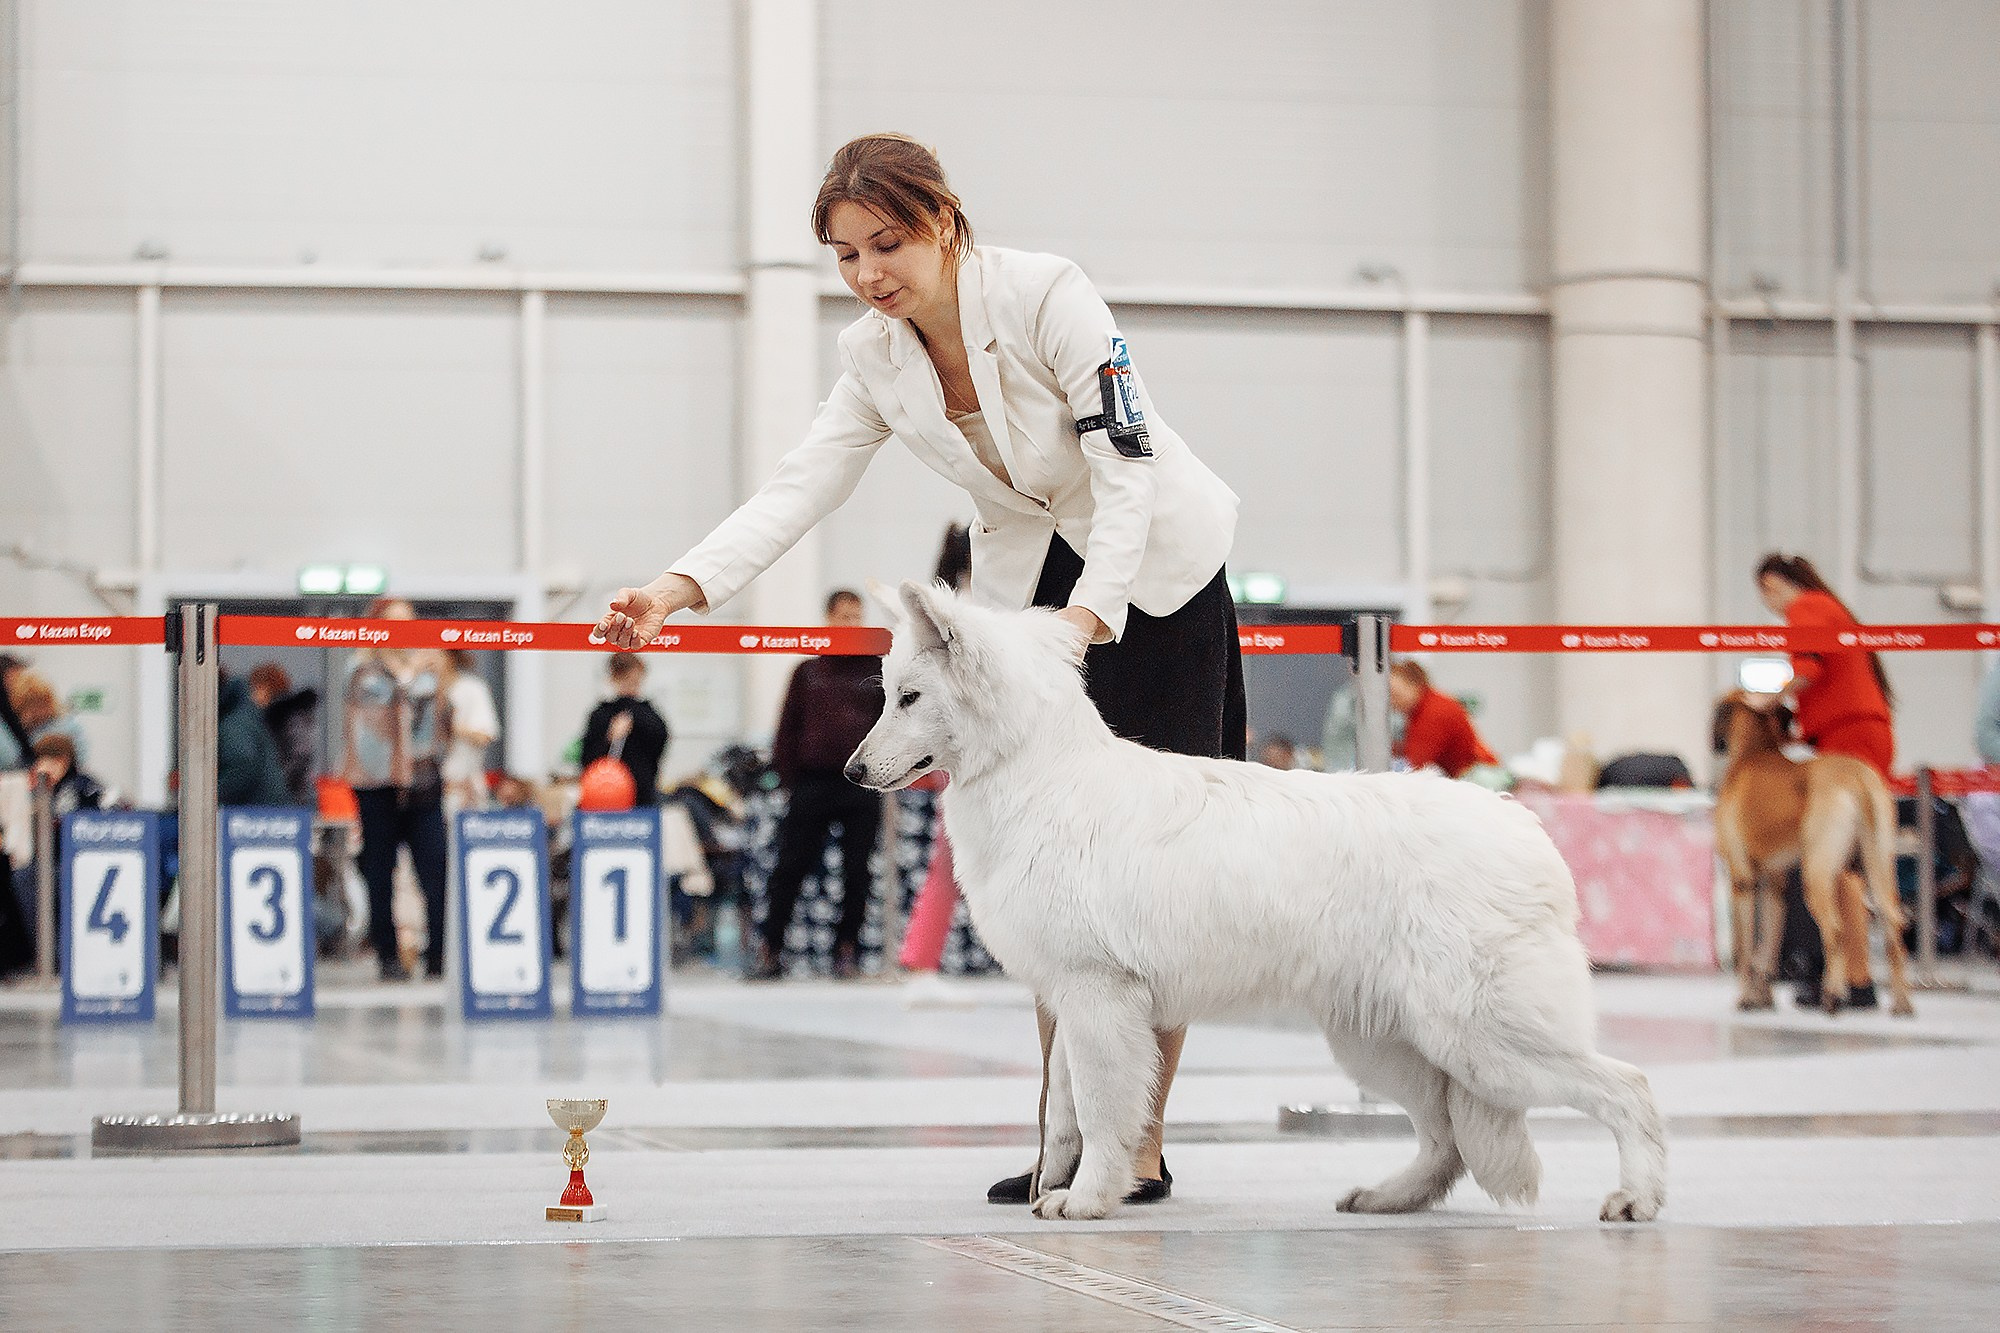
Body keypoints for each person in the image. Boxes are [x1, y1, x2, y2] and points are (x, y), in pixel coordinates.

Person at [594, 133, 1243, 1206]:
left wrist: (1091, 614)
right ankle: (1059, 1141)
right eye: (845, 256)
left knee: (1144, 873)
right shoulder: (874, 356)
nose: (867, 275)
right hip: (1026, 588)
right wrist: (678, 586)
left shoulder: (1047, 293)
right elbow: (800, 485)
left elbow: (1122, 462)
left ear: (942, 219)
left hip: (1155, 578)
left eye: (884, 243)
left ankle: (1133, 1145)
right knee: (1049, 874)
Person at [1755, 552, 1897, 1009]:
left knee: (1838, 865)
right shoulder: (1832, 607)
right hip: (1863, 735)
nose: (1772, 608)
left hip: (1847, 740)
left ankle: (1855, 978)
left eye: (1767, 595)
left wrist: (1767, 703)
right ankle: (1861, 976)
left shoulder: (1807, 609)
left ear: (1775, 582)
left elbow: (1807, 671)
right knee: (1860, 862)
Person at [751, 589, 885, 981]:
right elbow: (787, 729)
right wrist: (789, 779)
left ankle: (847, 953)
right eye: (844, 616)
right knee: (790, 867)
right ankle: (770, 950)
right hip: (812, 782)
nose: (851, 624)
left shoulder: (876, 669)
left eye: (857, 616)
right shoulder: (807, 672)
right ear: (828, 619)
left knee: (858, 872)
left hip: (861, 785)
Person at [341, 598, 450, 981]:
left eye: (409, 622)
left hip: (423, 783)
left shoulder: (433, 666)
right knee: (378, 871)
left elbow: (438, 715)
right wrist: (406, 676)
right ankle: (387, 955)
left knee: (435, 869)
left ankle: (438, 955)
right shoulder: (361, 669)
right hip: (376, 783)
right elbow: (382, 702)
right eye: (394, 623)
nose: (403, 630)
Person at [897, 524, 975, 1006]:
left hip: (962, 755)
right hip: (970, 756)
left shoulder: (942, 610)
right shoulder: (971, 610)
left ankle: (921, 963)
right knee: (951, 865)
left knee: (948, 866)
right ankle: (921, 965)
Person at [580, 653, 670, 807]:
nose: (632, 687)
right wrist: (609, 737)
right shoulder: (601, 714)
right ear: (614, 679)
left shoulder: (647, 714)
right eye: (627, 681)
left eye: (636, 682)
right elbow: (587, 759)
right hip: (606, 797)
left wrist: (635, 716)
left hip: (641, 796)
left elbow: (660, 741)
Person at [1389, 660, 1498, 779]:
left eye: (1395, 694)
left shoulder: (1433, 712)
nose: (1391, 702)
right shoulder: (1431, 704)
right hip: (1471, 773)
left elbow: (1415, 765)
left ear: (1414, 685)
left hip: (1475, 778)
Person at [437, 649, 500, 811]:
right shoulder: (418, 689)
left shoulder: (471, 688)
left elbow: (484, 735)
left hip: (462, 790)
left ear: (449, 658)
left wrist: (449, 726)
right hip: (424, 794)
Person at [249, 663, 320, 807]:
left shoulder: (288, 717)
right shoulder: (271, 717)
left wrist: (274, 780)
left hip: (293, 798)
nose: (252, 695)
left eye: (255, 689)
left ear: (267, 688)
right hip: (288, 796)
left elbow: (300, 754)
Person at [218, 672, 292, 808]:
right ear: (261, 689)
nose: (270, 703)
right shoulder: (245, 718)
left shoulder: (238, 718)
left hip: (254, 812)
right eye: (272, 696)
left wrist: (211, 796)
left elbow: (243, 762)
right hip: (265, 811)